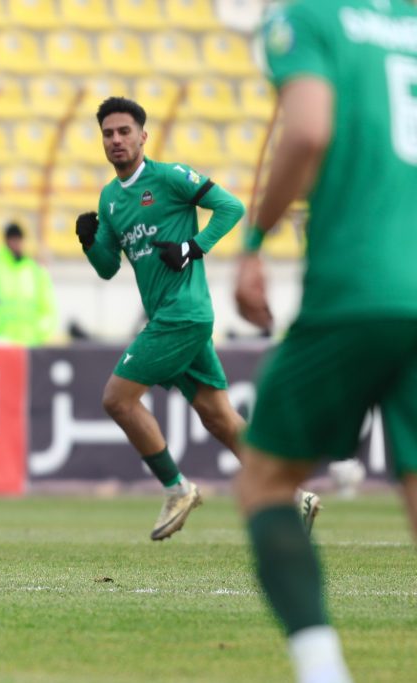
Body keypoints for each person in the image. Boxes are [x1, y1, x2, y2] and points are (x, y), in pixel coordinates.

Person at [234, 1, 417, 681]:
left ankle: (322, 670)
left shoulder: (309, 17)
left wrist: (256, 238)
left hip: (360, 288)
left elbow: (308, 131)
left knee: (265, 480)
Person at [75, 96, 321, 541]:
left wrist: (193, 247)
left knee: (117, 399)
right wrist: (91, 243)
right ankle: (291, 496)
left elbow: (231, 207)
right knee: (218, 417)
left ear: (143, 136)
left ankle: (177, 488)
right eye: (108, 134)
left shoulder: (169, 177)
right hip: (174, 318)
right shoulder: (110, 198)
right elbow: (108, 268)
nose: (116, 140)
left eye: (124, 131)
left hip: (182, 315)